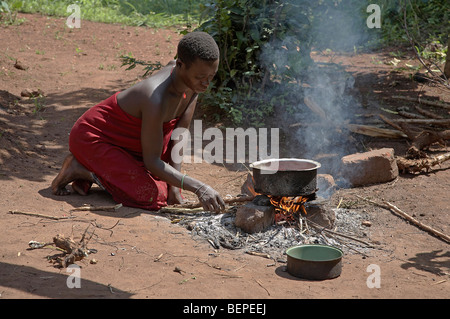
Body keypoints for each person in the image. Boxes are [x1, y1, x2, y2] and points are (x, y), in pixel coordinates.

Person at [51, 32, 225, 213]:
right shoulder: (154, 97)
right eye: (201, 77)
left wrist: (176, 189)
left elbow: (178, 136)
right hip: (95, 138)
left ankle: (102, 172)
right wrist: (198, 187)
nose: (206, 83)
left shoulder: (193, 84)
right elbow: (152, 162)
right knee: (152, 195)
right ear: (180, 65)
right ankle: (80, 169)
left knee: (168, 189)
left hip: (138, 144)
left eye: (211, 76)